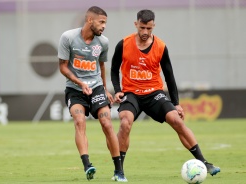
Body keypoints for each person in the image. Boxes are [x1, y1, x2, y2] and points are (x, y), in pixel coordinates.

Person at [110, 9, 220, 178]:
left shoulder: (161, 47)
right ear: (136, 24)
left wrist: (176, 103)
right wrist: (118, 90)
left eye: (149, 28)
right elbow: (113, 69)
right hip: (131, 93)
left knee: (177, 120)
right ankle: (119, 171)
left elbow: (170, 76)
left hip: (154, 93)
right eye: (142, 28)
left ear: (153, 26)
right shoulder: (123, 44)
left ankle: (204, 162)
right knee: (125, 123)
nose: (145, 32)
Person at [58, 6, 127, 182]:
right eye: (101, 22)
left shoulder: (103, 42)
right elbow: (63, 67)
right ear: (90, 20)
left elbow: (101, 66)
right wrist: (80, 83)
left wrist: (104, 88)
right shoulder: (68, 38)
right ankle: (87, 165)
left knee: (107, 123)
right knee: (79, 121)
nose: (104, 26)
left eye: (105, 23)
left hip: (96, 87)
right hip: (75, 89)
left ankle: (119, 171)